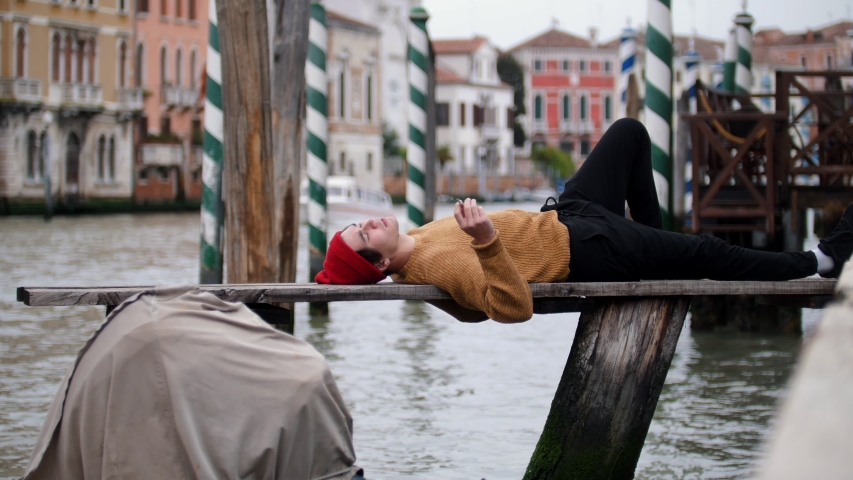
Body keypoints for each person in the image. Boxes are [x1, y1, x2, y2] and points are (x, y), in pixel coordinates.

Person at [315, 118, 853, 324]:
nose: (371, 222)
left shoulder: (414, 242)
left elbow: (471, 313)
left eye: (361, 225)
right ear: (379, 263)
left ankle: (657, 248)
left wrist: (472, 281)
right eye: (364, 234)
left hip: (568, 215)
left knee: (628, 133)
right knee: (710, 252)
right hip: (588, 247)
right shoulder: (435, 265)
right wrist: (487, 241)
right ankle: (816, 261)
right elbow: (511, 309)